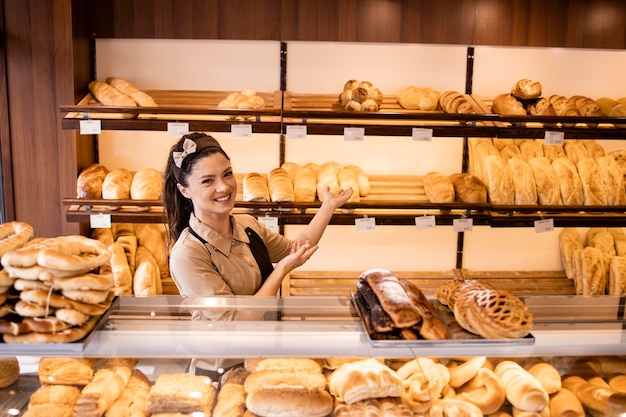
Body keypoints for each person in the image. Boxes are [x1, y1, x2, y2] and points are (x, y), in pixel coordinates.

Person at [163, 132, 353, 378]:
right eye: (207, 181)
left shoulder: (247, 225)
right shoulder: (188, 253)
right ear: (184, 190)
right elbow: (233, 321)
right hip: (219, 370)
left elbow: (296, 248)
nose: (224, 187)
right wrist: (281, 270)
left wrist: (327, 207)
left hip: (261, 360)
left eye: (227, 174)